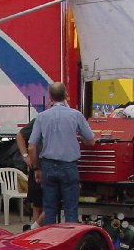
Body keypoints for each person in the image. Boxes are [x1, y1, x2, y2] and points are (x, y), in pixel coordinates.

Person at [28, 82, 95, 224]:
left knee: (50, 208)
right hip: (68, 166)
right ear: (65, 95)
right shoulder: (76, 115)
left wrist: (36, 168)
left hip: (48, 166)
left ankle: (51, 242)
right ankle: (70, 241)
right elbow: (91, 141)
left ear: (50, 97)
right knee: (71, 209)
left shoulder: (42, 117)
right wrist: (78, 138)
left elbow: (31, 147)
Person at [15, 116, 44, 230]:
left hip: (49, 165)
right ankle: (35, 233)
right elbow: (20, 136)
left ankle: (34, 229)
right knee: (37, 204)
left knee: (50, 203)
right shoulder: (40, 120)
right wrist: (25, 155)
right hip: (37, 165)